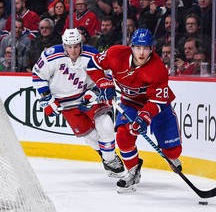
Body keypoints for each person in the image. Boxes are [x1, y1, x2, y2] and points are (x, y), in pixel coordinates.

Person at [89, 28, 183, 193]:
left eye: (146, 48)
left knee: (173, 151)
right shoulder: (116, 53)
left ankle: (172, 154)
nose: (141, 52)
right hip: (131, 104)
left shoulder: (158, 69)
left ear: (151, 49)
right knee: (124, 136)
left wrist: (144, 117)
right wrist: (104, 83)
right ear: (131, 47)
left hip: (158, 108)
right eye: (138, 47)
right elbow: (92, 65)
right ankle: (133, 171)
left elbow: (158, 100)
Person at [32, 28, 125, 178]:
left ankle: (111, 160)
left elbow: (106, 75)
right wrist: (48, 100)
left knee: (106, 124)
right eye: (69, 47)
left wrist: (93, 92)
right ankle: (107, 157)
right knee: (90, 137)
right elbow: (37, 76)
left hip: (88, 97)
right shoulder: (51, 56)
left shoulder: (92, 54)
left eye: (76, 46)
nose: (73, 50)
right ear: (64, 45)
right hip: (66, 103)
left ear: (81, 43)